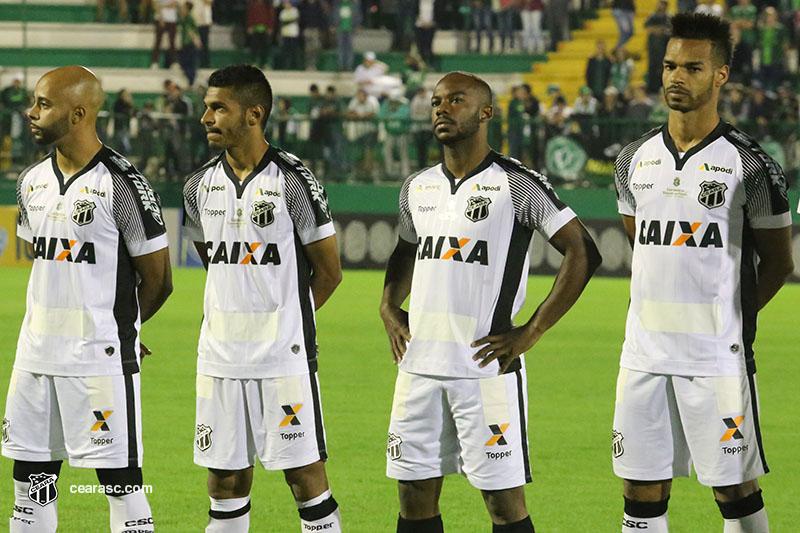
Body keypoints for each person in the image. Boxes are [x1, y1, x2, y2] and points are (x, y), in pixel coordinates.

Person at [379, 71, 601, 533]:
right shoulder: (417, 187)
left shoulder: (518, 185)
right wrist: (388, 305)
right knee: (413, 496)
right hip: (418, 366)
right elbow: (405, 250)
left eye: (456, 100)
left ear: (485, 112)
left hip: (484, 370)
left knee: (503, 504)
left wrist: (532, 329)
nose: (441, 108)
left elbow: (583, 250)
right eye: (437, 101)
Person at [612, 13, 794, 533]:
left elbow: (779, 262)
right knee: (640, 486)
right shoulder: (633, 159)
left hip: (716, 356)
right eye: (669, 65)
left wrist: (730, 316)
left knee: (733, 484)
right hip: (643, 353)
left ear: (720, 74)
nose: (676, 77)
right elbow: (638, 237)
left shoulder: (752, 165)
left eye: (692, 67)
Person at [3, 65, 172, 533]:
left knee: (121, 485)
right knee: (30, 490)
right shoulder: (30, 181)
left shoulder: (123, 185)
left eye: (43, 104)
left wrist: (125, 329)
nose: (31, 112)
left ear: (78, 113)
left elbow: (158, 281)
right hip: (35, 356)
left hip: (97, 360)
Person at [183, 64, 344, 533]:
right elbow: (211, 259)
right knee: (225, 478)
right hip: (219, 356)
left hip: (281, 358)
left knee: (304, 477)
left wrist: (287, 324)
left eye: (218, 108)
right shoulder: (197, 187)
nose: (206, 118)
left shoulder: (294, 180)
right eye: (206, 107)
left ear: (254, 113)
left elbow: (329, 272)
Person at [644, 0, 670, 94]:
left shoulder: (668, 17)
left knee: (664, 70)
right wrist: (659, 30)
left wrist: (659, 31)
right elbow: (647, 28)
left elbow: (670, 30)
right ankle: (652, 90)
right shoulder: (653, 17)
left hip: (665, 49)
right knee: (652, 70)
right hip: (653, 50)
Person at [331, 0, 361, 71]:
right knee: (340, 47)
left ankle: (349, 66)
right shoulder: (337, 4)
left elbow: (358, 15)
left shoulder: (353, 4)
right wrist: (333, 25)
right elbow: (333, 15)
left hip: (350, 29)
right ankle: (341, 66)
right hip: (339, 28)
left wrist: (357, 26)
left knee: (349, 48)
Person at [246, 0, 276, 69]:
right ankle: (254, 63)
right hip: (255, 30)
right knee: (254, 47)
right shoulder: (252, 4)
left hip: (265, 30)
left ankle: (265, 64)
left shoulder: (268, 5)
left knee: (265, 48)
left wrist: (270, 27)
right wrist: (250, 26)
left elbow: (271, 16)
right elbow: (249, 15)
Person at [178, 1, 202, 87]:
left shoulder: (189, 18)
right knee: (187, 63)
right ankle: (190, 82)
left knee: (188, 63)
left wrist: (196, 41)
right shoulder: (186, 18)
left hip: (190, 44)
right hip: (187, 43)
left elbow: (191, 30)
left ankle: (191, 82)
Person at [151, 0, 179, 69]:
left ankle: (174, 62)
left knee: (172, 41)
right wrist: (161, 17)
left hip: (172, 19)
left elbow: (174, 4)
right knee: (158, 41)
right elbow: (155, 4)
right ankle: (155, 62)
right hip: (160, 18)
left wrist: (162, 6)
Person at [195, 0, 214, 68]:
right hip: (194, 19)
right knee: (192, 44)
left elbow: (209, 1)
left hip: (204, 21)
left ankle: (205, 63)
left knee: (204, 43)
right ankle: (194, 62)